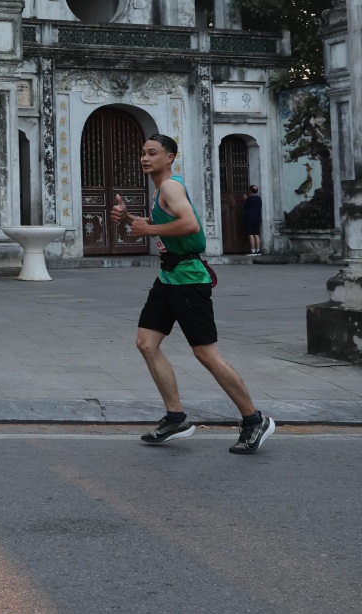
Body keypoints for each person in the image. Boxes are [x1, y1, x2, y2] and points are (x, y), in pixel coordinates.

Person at [111, 134, 275, 455]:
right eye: (143, 153)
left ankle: (254, 419)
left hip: (187, 279)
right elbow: (159, 224)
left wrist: (149, 229)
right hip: (169, 276)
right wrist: (130, 218)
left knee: (205, 354)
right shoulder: (161, 190)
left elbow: (189, 226)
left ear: (170, 157)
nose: (145, 158)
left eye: (153, 153)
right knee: (146, 343)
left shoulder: (171, 186)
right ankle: (176, 418)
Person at [244, 185, 263, 256]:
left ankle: (253, 250)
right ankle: (258, 250)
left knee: (251, 235)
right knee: (256, 234)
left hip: (250, 218)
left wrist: (245, 199)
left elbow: (245, 207)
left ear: (250, 191)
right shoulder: (259, 199)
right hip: (257, 218)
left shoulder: (249, 199)